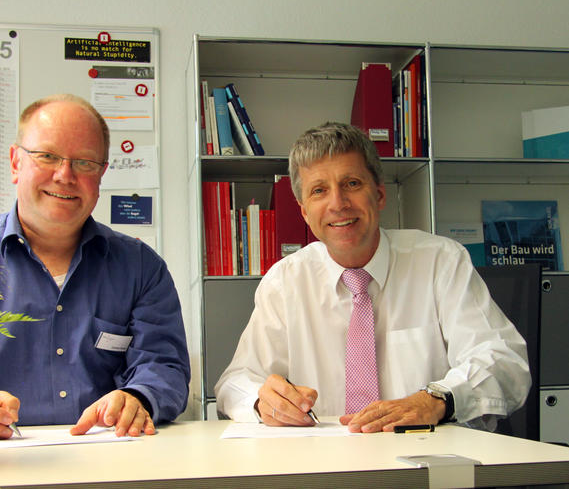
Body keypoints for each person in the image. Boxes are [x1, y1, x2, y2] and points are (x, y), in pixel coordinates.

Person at [214, 122, 530, 433]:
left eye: (351, 183)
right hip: (323, 465)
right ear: (304, 211)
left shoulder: (440, 262)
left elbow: (504, 362)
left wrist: (435, 399)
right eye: (319, 191)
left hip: (425, 459)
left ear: (379, 195)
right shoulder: (285, 282)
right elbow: (234, 382)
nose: (337, 204)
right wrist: (262, 400)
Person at [0, 94, 190, 441]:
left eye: (85, 162)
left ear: (102, 173)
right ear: (16, 162)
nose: (64, 175)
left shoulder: (141, 268)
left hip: (109, 460)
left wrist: (138, 398)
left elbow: (164, 367)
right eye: (47, 156)